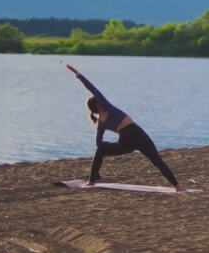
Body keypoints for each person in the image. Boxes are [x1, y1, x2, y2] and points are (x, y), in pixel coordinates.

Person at [67, 63, 184, 191]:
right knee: (157, 161)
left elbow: (98, 143)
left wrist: (107, 145)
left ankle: (92, 181)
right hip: (137, 133)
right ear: (98, 104)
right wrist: (78, 75)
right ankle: (177, 187)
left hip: (126, 141)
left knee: (100, 150)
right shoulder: (106, 106)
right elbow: (92, 89)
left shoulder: (101, 122)